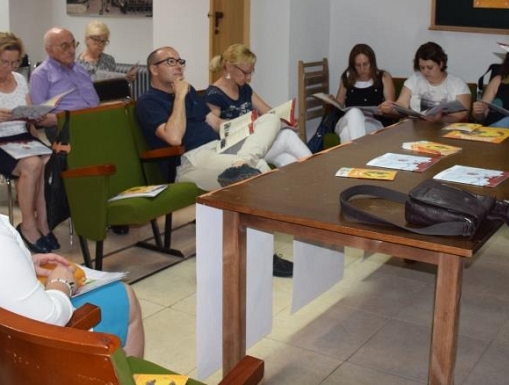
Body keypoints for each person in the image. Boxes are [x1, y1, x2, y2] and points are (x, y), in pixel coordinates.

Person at [136, 46, 292, 277]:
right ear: (153, 70)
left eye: (180, 60)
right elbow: (174, 137)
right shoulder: (148, 102)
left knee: (271, 120)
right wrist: (179, 95)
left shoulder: (189, 93)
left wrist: (246, 127)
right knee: (258, 173)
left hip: (219, 148)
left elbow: (216, 124)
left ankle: (243, 162)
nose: (179, 65)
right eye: (170, 62)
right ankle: (262, 257)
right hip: (191, 161)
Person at [0, 213, 144, 356]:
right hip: (23, 349)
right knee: (124, 295)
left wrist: (25, 261)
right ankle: (131, 377)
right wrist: (61, 284)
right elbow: (47, 320)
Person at [205, 44, 311, 166]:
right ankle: (317, 172)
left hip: (254, 142)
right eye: (245, 73)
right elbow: (214, 129)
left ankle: (311, 181)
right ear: (229, 66)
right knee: (287, 137)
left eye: (251, 72)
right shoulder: (213, 94)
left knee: (287, 159)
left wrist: (285, 121)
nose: (249, 77)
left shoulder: (244, 88)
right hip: (236, 150)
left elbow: (268, 112)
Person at [0, 32, 56, 254]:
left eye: (14, 62)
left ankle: (43, 222)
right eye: (4, 62)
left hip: (22, 134)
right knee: (32, 164)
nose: (9, 67)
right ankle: (29, 226)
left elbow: (29, 113)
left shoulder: (20, 79)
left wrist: (35, 118)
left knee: (47, 156)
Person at [380, 41, 471, 123]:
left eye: (429, 67)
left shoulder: (457, 84)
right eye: (422, 68)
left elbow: (462, 114)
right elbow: (401, 104)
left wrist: (440, 119)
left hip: (444, 129)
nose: (425, 72)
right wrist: (391, 108)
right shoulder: (414, 79)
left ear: (441, 63)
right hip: (413, 128)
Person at [30, 27, 99, 130]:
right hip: (66, 127)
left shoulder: (80, 69)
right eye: (65, 46)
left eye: (73, 44)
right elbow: (40, 118)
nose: (72, 50)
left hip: (96, 120)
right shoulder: (41, 75)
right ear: (49, 50)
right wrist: (76, 119)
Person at [332, 43, 397, 142]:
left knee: (346, 133)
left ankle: (352, 156)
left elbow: (393, 110)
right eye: (358, 65)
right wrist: (332, 101)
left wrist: (384, 110)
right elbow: (338, 107)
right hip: (346, 120)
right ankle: (359, 153)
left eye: (365, 64)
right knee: (354, 112)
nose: (362, 69)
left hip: (372, 122)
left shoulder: (383, 77)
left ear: (372, 62)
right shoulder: (347, 78)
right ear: (353, 65)